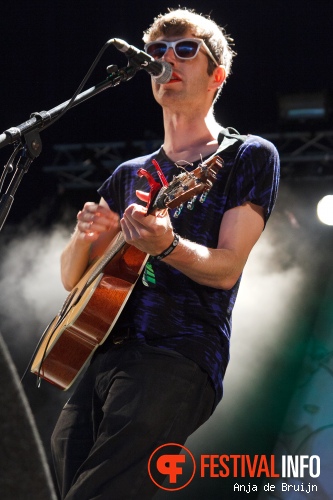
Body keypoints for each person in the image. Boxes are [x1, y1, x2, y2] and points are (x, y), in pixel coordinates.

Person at [51, 7, 280, 499]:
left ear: (217, 74)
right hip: (102, 355)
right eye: (157, 52)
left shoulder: (245, 155)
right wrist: (86, 235)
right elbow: (74, 279)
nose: (166, 60)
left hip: (176, 354)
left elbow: (226, 270)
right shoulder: (129, 173)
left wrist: (168, 245)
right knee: (72, 471)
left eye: (184, 50)